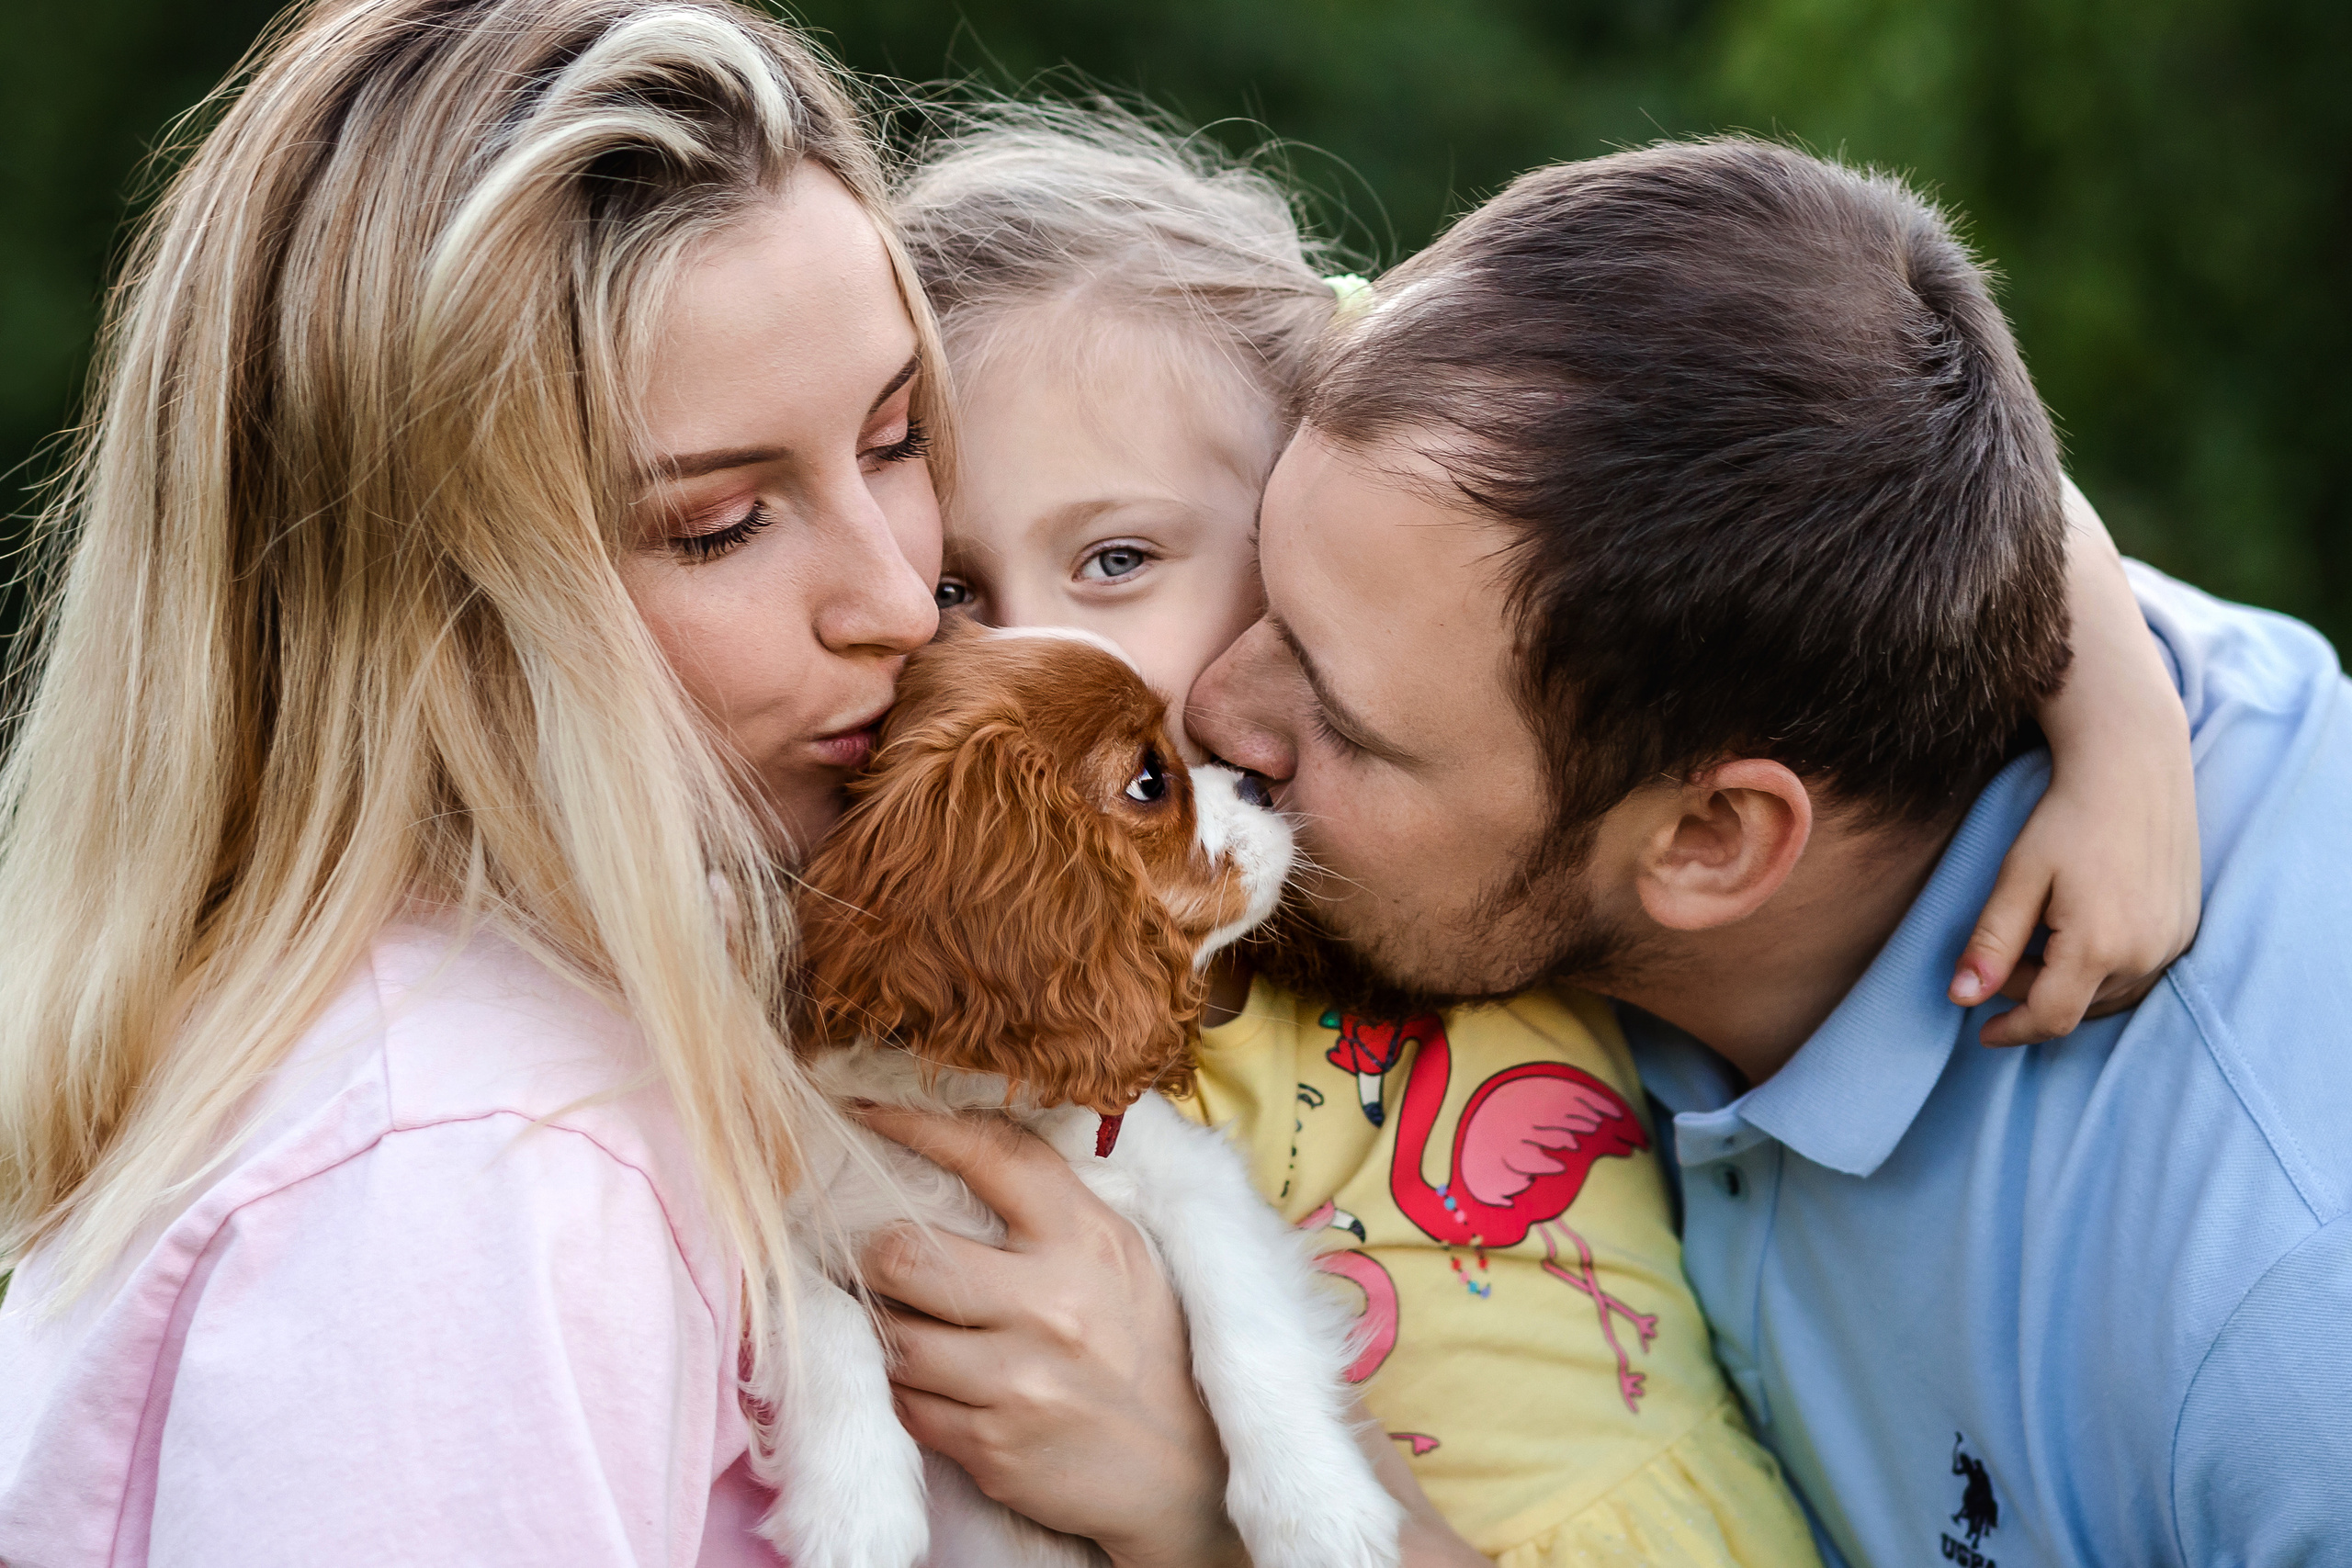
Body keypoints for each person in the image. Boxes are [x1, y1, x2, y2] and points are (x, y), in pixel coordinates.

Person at [869, 112, 2203, 1565]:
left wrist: (2119, 709)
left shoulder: (1429, 803)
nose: (1040, 651)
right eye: (950, 591)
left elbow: (1872, 423)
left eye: (1118, 559)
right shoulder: (993, 974)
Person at [1185, 138, 2346, 1567]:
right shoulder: (1835, 560)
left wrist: (1213, 1502)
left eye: (1345, 719)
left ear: (1712, 841)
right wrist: (2110, 686)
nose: (1208, 705)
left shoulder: (2281, 1342)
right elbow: (1897, 391)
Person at [0, 1, 956, 1561]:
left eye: (899, 437)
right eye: (719, 525)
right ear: (419, 610)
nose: (900, 602)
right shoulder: (471, 1174)